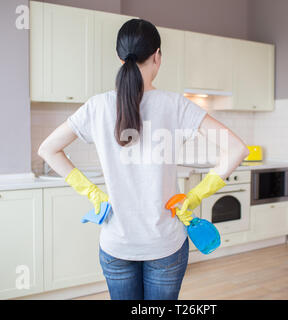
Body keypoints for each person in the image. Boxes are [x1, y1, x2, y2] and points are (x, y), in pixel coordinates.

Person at [38, 18, 249, 300]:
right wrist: (194, 197)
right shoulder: (176, 105)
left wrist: (94, 195)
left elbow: (48, 149)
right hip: (165, 243)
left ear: (119, 57)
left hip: (116, 243)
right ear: (157, 56)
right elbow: (237, 149)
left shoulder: (96, 106)